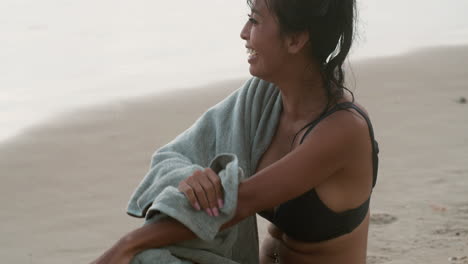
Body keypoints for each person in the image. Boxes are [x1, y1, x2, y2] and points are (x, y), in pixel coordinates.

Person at [91, 0, 378, 263]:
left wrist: (124, 246)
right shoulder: (264, 99)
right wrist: (191, 177)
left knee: (142, 257)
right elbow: (175, 154)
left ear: (295, 39)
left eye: (254, 21)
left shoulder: (343, 131)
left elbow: (240, 202)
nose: (244, 33)